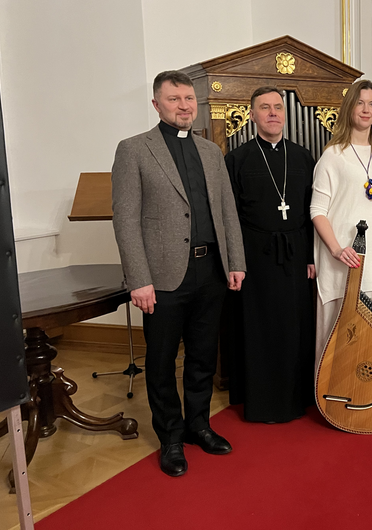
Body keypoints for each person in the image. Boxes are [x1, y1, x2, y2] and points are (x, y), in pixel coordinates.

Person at [111, 70, 246, 477]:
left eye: (189, 98)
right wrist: (138, 278)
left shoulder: (210, 152)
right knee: (162, 361)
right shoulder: (134, 150)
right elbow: (126, 219)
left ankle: (199, 425)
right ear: (156, 104)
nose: (185, 105)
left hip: (210, 272)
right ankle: (171, 437)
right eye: (174, 99)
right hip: (162, 277)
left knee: (204, 356)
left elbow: (226, 212)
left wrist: (235, 261)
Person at [225, 86, 316, 423]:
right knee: (260, 327)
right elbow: (229, 215)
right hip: (255, 255)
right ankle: (262, 399)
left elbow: (312, 211)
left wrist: (311, 256)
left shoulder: (304, 156)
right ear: (252, 115)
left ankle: (298, 396)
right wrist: (236, 261)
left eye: (278, 107)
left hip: (295, 255)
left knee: (294, 325)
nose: (273, 113)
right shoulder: (237, 159)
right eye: (265, 108)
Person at [311, 79, 372, 364]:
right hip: (346, 260)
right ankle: (334, 395)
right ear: (349, 108)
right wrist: (337, 249)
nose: (366, 109)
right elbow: (317, 211)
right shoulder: (332, 156)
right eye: (360, 103)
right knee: (344, 336)